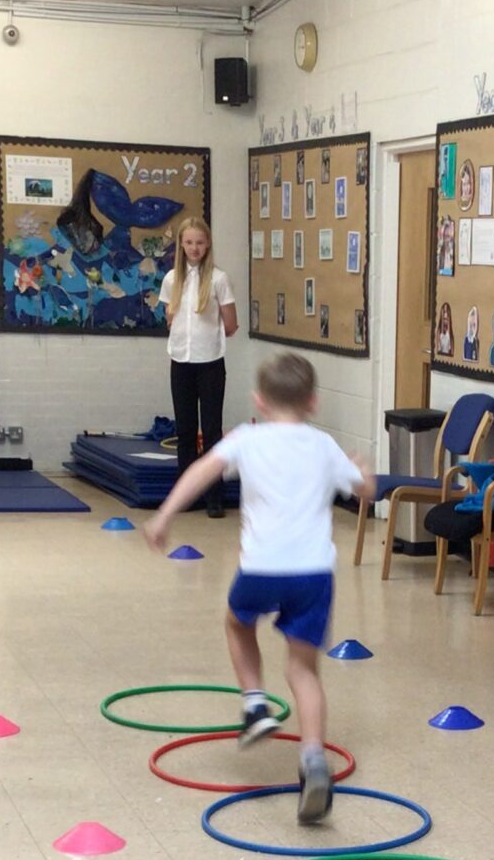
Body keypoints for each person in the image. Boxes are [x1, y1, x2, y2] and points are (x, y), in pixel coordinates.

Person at [145, 351, 376, 823]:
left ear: (259, 401)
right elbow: (366, 493)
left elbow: (200, 472)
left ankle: (254, 704)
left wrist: (165, 516)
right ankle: (313, 758)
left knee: (237, 624)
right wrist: (363, 470)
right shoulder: (324, 444)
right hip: (313, 573)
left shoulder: (246, 439)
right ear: (313, 402)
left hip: (261, 568)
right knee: (303, 669)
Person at [158, 217, 239, 520]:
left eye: (199, 243)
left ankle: (214, 497)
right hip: (181, 361)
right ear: (181, 245)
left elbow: (231, 324)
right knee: (185, 429)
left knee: (212, 430)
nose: (194, 248)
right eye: (189, 243)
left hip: (210, 362)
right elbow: (169, 318)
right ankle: (187, 494)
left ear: (208, 245)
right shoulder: (171, 280)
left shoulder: (218, 279)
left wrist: (211, 335)